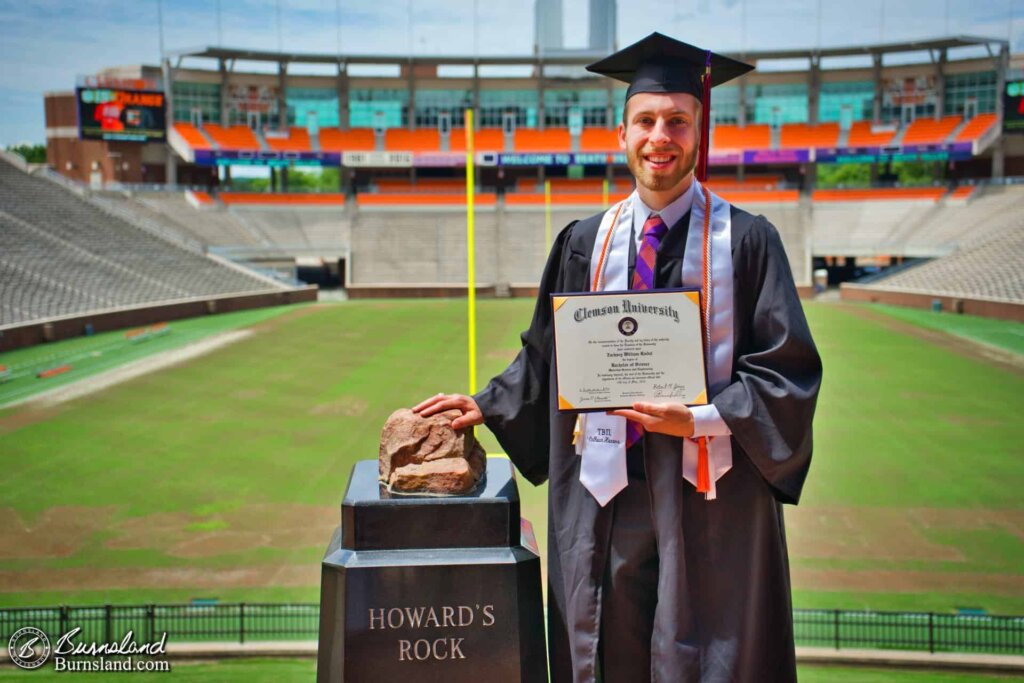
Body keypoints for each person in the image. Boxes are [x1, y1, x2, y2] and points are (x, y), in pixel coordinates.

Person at [415, 32, 822, 683]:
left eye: (677, 121)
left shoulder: (748, 242)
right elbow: (546, 357)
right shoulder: (583, 243)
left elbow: (786, 371)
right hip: (607, 492)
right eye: (647, 121)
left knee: (710, 654)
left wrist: (697, 417)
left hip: (709, 499)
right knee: (610, 652)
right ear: (623, 133)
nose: (661, 136)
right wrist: (490, 404)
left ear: (698, 133)